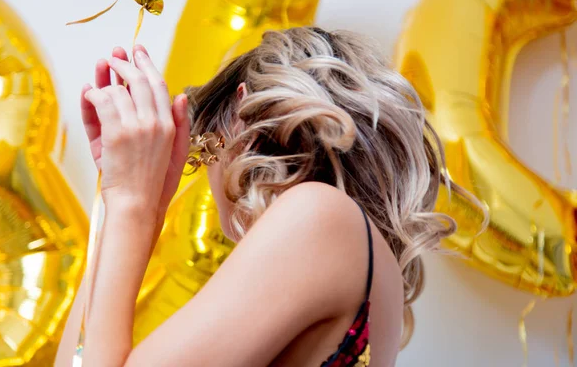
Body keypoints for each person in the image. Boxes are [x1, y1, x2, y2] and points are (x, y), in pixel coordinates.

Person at [56, 27, 484, 367]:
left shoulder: (321, 219)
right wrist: (126, 204)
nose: (203, 167)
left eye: (205, 146)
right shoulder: (350, 249)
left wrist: (132, 201)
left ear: (242, 114)